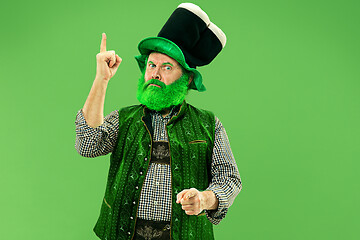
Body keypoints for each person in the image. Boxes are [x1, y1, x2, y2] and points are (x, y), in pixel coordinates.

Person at [75, 3, 242, 240]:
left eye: (166, 67)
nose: (155, 73)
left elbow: (229, 179)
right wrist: (101, 80)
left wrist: (204, 199)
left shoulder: (209, 124)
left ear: (186, 78)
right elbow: (88, 144)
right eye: (151, 65)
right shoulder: (124, 118)